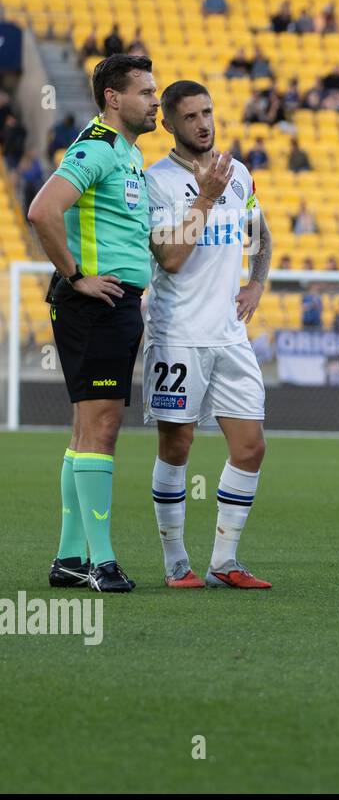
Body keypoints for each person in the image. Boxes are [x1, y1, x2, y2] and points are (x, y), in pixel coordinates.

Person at [26, 55, 162, 593]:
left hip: (114, 304)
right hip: (96, 304)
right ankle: (102, 563)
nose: (155, 101)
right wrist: (77, 276)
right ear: (113, 98)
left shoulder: (127, 151)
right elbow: (43, 209)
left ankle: (69, 559)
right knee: (102, 429)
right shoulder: (100, 146)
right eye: (146, 92)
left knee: (87, 430)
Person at [143, 80, 273, 590]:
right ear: (169, 123)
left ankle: (224, 560)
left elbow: (260, 235)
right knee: (177, 445)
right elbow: (171, 257)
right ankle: (176, 562)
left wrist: (256, 282)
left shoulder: (238, 172)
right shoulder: (156, 182)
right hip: (178, 336)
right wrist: (207, 197)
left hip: (229, 336)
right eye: (191, 116)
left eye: (208, 112)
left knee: (251, 446)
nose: (203, 123)